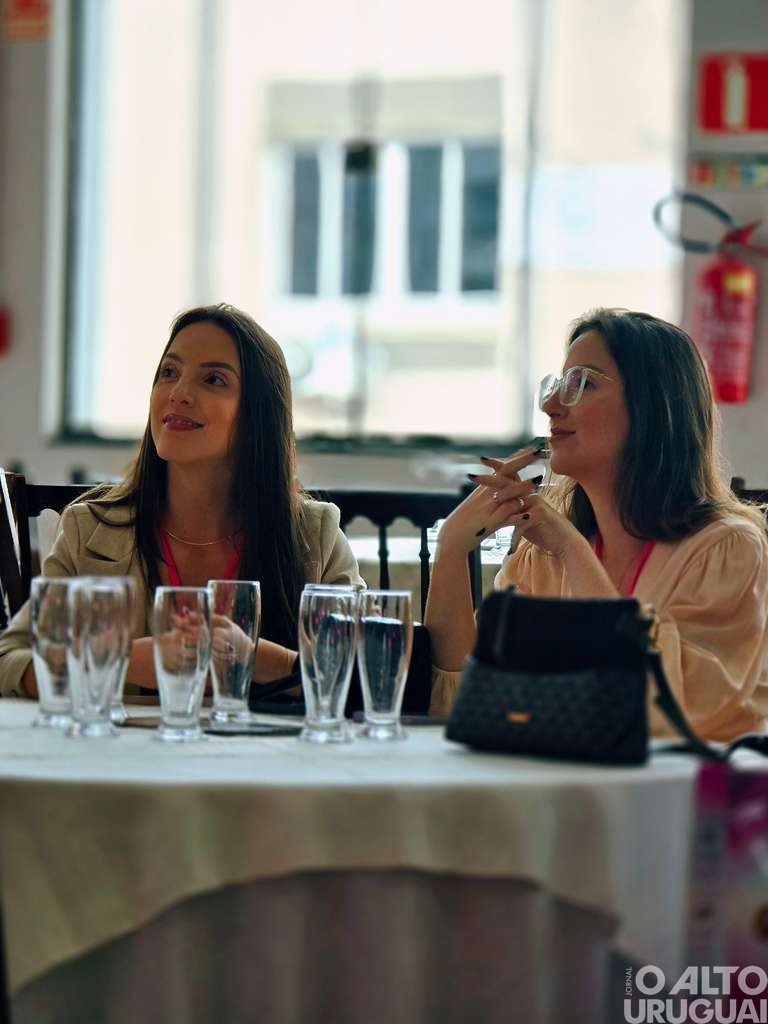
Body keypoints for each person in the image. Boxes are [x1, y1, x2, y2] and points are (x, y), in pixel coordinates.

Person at [425, 308, 768, 743]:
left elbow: (661, 716)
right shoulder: (542, 556)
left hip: (686, 785)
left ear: (653, 407)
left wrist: (574, 551)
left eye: (582, 384)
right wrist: (452, 548)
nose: (550, 406)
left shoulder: (728, 548)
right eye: (556, 385)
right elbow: (469, 707)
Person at [0, 303, 363, 698]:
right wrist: (120, 661)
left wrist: (271, 664)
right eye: (169, 373)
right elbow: (9, 660)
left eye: (213, 379)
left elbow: (370, 672)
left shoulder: (316, 534)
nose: (179, 394)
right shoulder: (88, 530)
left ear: (258, 415)